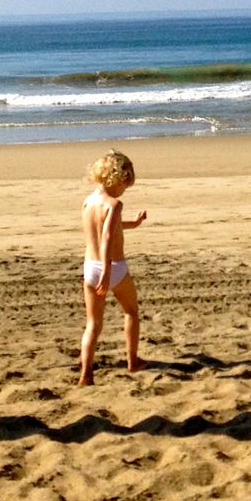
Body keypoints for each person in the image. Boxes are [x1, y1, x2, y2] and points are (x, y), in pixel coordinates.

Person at [78, 150, 148, 385]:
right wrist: (108, 271)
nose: (124, 190)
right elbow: (107, 236)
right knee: (131, 311)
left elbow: (103, 229)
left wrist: (135, 224)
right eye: (124, 185)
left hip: (89, 267)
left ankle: (86, 374)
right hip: (113, 267)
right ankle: (132, 361)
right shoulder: (114, 204)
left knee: (93, 324)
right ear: (116, 179)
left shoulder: (88, 201)